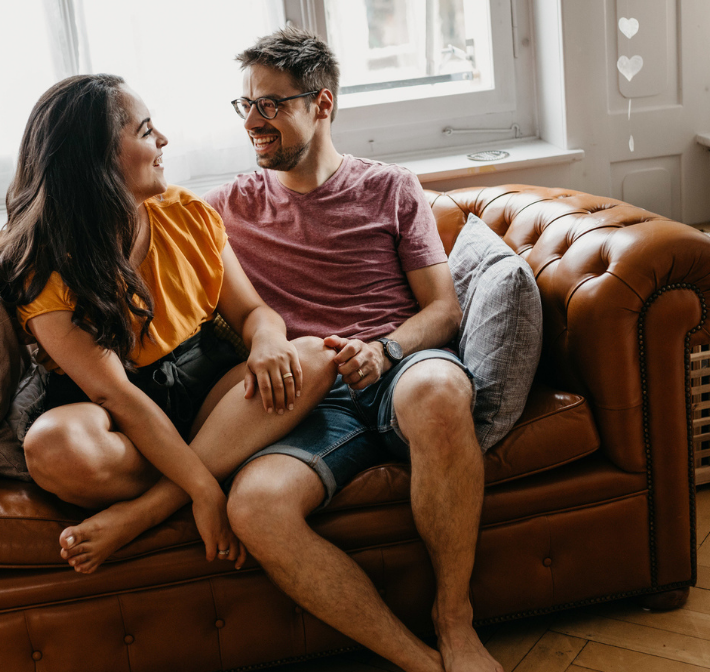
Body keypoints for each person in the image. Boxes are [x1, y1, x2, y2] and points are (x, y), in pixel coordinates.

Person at [204, 29, 503, 672]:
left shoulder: (392, 187)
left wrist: (385, 351)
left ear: (322, 103)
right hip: (308, 400)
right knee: (254, 505)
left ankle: (454, 619)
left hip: (398, 368)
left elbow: (443, 310)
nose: (253, 122)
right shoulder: (225, 209)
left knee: (440, 391)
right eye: (246, 105)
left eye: (271, 105)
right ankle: (418, 661)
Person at [0, 74, 335, 575]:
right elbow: (115, 396)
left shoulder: (186, 214)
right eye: (145, 131)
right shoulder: (45, 265)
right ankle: (210, 469)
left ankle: (146, 510)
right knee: (53, 448)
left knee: (313, 356)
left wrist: (269, 340)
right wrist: (206, 490)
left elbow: (253, 313)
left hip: (207, 391)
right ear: (98, 159)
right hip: (119, 415)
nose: (163, 140)